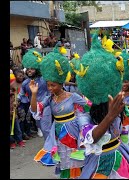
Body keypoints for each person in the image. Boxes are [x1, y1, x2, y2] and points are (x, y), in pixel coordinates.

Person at [76, 34, 129, 179]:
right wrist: (110, 115)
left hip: (121, 156)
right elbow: (92, 137)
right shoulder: (84, 116)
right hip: (98, 162)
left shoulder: (118, 107)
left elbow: (127, 120)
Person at [31, 44, 91, 179]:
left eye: (53, 85)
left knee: (77, 160)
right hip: (57, 132)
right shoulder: (49, 99)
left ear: (61, 83)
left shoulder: (73, 96)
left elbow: (89, 107)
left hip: (73, 131)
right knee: (64, 160)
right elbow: (35, 110)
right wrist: (34, 94)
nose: (50, 88)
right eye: (48, 85)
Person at [18, 49, 50, 139]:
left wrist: (43, 104)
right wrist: (17, 100)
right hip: (34, 109)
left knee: (46, 129)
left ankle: (50, 148)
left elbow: (49, 93)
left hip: (46, 107)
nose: (29, 70)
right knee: (41, 128)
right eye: (28, 68)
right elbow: (21, 94)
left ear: (37, 68)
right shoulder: (25, 83)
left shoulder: (44, 80)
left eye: (32, 68)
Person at [11, 69, 33, 141]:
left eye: (22, 75)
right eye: (19, 76)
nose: (21, 77)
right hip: (19, 104)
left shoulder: (25, 83)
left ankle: (28, 132)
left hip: (27, 101)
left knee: (28, 118)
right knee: (22, 119)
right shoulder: (12, 85)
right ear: (15, 76)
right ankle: (22, 134)